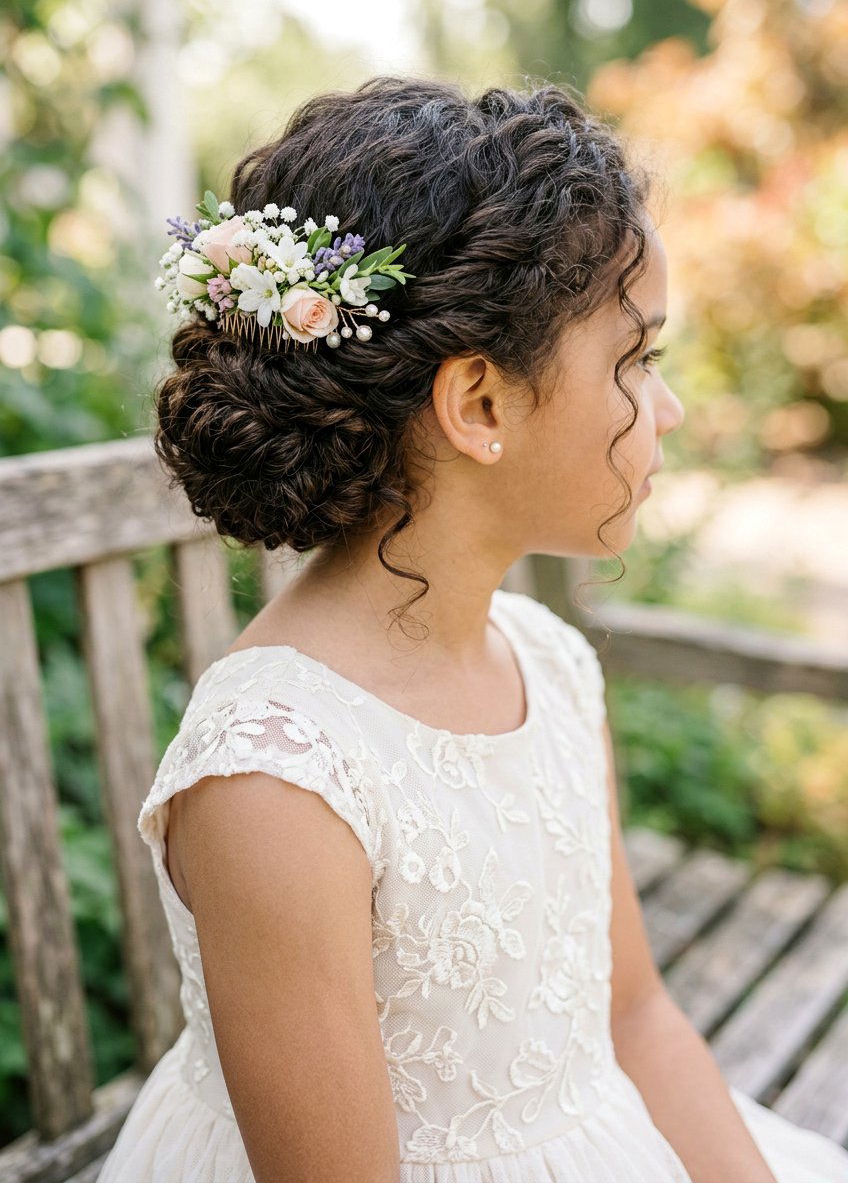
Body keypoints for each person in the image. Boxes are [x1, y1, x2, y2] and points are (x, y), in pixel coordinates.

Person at [97, 75, 848, 1182]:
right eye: (635, 362)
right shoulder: (276, 780)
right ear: (479, 406)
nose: (668, 410)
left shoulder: (544, 659)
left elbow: (631, 1016)